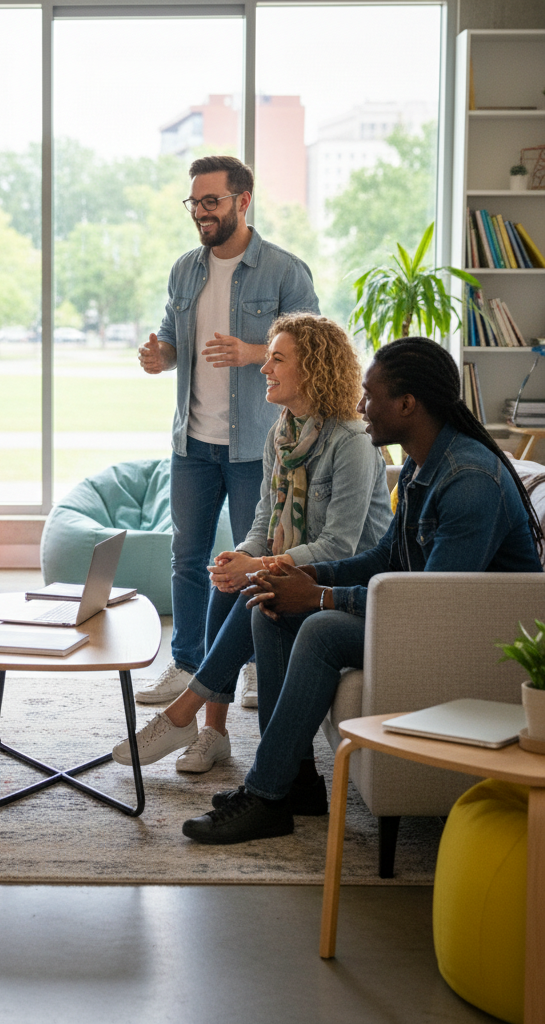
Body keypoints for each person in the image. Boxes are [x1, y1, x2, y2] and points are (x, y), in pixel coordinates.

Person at [182, 337, 545, 845]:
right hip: (426, 613)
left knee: (323, 630)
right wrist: (302, 580)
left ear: (406, 405)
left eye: (370, 396)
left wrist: (321, 599)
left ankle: (265, 796)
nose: (360, 407)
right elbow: (385, 561)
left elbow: (430, 603)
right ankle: (298, 785)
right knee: (270, 606)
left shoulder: (469, 479)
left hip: (473, 639)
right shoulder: (423, 463)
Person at [114, 313, 392, 773]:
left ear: (314, 368)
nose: (264, 367)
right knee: (232, 582)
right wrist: (243, 555)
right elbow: (265, 519)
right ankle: (213, 732)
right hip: (302, 570)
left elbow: (341, 547)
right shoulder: (281, 433)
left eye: (277, 359)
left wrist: (257, 567)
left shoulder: (353, 442)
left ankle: (184, 713)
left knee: (251, 587)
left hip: (342, 583)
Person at [135, 154, 320, 708]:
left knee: (259, 559)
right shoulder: (184, 270)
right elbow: (171, 342)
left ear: (243, 200)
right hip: (192, 442)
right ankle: (188, 662)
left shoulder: (285, 271)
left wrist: (255, 352)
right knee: (187, 559)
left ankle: (258, 666)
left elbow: (314, 349)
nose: (200, 213)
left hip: (256, 446)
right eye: (194, 202)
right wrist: (158, 356)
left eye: (211, 201)